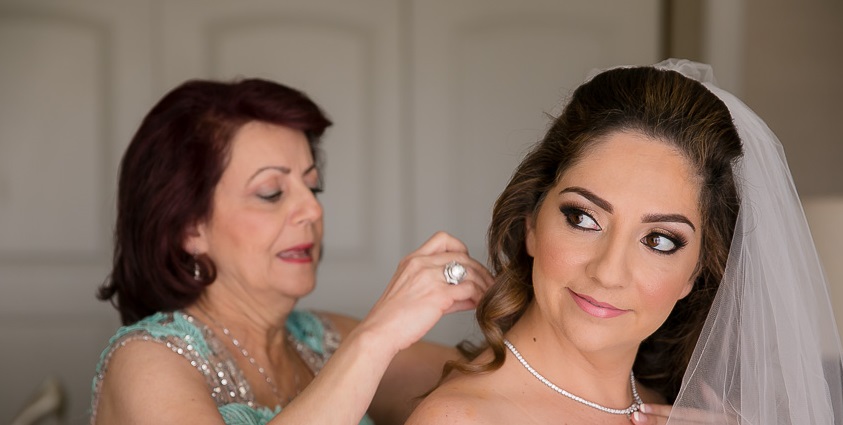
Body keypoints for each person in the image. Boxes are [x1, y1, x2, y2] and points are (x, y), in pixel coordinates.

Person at [406, 59, 843, 424]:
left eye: (659, 240)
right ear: (531, 224)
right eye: (583, 218)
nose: (608, 271)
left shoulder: (690, 412)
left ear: (695, 274)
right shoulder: (459, 418)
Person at [90, 78, 494, 425]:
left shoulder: (321, 339)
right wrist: (376, 337)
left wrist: (533, 294)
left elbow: (500, 383)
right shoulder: (144, 360)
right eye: (271, 193)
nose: (313, 210)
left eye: (313, 186)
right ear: (188, 228)